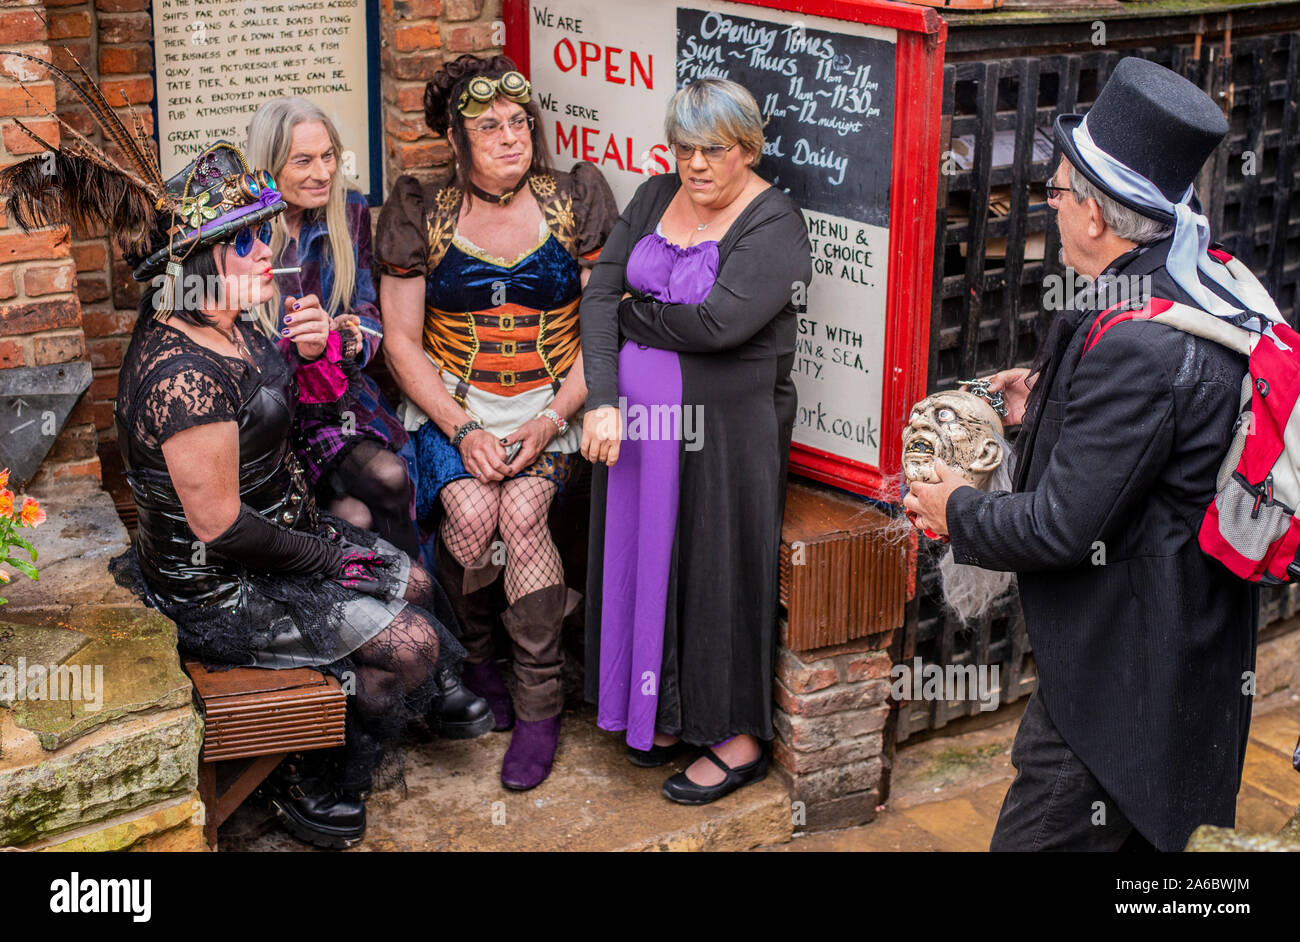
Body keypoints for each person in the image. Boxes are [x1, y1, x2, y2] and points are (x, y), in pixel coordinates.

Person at [904, 57, 1265, 851]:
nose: (1050, 207)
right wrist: (1043, 408)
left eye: (1057, 192)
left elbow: (1063, 527)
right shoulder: (1175, 286)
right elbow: (1135, 450)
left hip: (1127, 678)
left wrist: (955, 507)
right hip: (1164, 651)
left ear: (1097, 219)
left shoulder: (1142, 346)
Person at [376, 54, 618, 789]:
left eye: (519, 123)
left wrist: (549, 421)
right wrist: (462, 429)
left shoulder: (575, 201)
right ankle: (477, 658)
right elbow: (400, 342)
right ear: (458, 140)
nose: (511, 137)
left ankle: (539, 702)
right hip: (456, 406)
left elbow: (600, 327)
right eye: (489, 127)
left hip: (554, 404)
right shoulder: (423, 212)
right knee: (473, 515)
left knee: (520, 515)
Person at [580, 79, 812, 804]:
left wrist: (633, 312)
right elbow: (596, 298)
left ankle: (737, 737)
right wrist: (605, 400)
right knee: (645, 563)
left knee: (714, 569)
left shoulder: (775, 225)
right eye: (684, 148)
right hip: (638, 435)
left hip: (725, 435)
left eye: (713, 149)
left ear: (748, 147)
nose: (696, 164)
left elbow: (719, 327)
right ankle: (662, 715)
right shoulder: (652, 197)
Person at [245, 98, 491, 740]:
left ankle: (427, 665)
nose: (322, 170)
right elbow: (230, 346)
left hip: (335, 400)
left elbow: (370, 318)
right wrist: (294, 345)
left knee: (386, 480)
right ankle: (432, 669)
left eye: (329, 156)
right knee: (368, 499)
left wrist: (350, 336)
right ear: (269, 165)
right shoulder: (242, 234)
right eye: (304, 159)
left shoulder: (349, 214)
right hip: (270, 415)